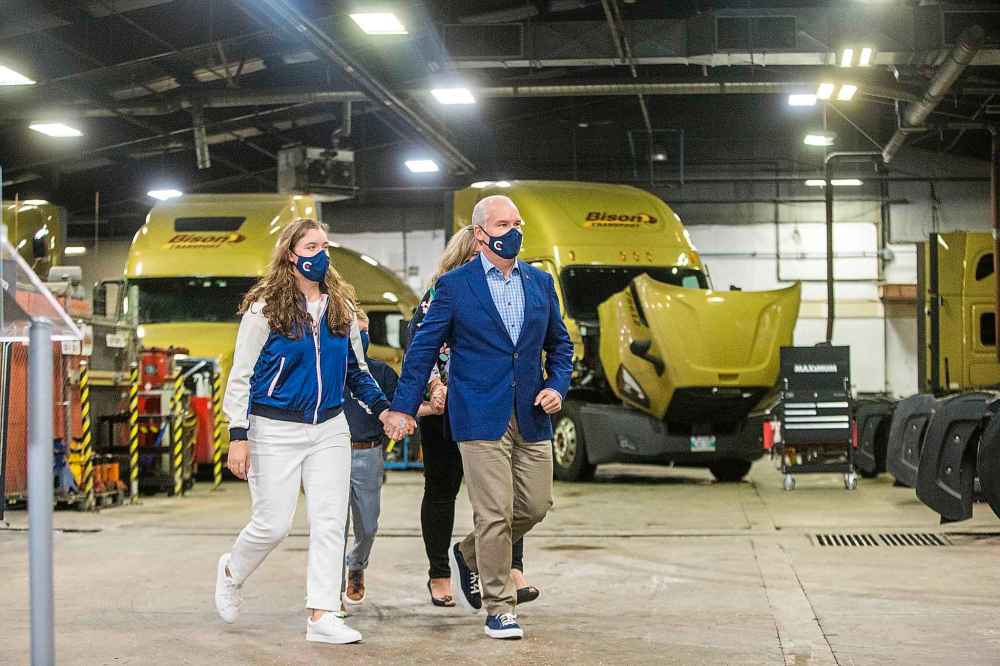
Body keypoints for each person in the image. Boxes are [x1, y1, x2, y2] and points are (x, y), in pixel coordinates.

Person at [385, 195, 574, 640]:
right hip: (477, 414)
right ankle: (499, 607)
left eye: (517, 223)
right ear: (480, 234)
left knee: (534, 505)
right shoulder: (454, 287)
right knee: (494, 513)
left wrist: (556, 386)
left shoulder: (540, 283)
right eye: (503, 224)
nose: (514, 232)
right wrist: (403, 406)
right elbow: (422, 351)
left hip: (530, 413)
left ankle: (470, 553)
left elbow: (560, 346)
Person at [215, 218, 392, 645]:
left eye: (324, 246)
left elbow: (357, 371)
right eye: (311, 246)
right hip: (272, 429)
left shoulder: (340, 308)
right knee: (273, 524)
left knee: (331, 520)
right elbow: (240, 376)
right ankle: (231, 571)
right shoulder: (265, 310)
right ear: (291, 255)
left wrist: (384, 410)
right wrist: (238, 435)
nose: (321, 254)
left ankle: (322, 614)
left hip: (330, 427)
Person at [412, 227, 538, 608]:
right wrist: (435, 387)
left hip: (493, 403)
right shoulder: (440, 293)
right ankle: (440, 572)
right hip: (444, 407)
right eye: (473, 256)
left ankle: (511, 567)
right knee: (441, 488)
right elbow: (420, 346)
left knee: (507, 493)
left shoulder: (512, 287)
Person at [340, 310, 439, 605]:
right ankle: (328, 595)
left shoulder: (380, 372)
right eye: (353, 332)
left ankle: (356, 565)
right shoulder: (329, 370)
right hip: (331, 454)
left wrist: (433, 409)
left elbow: (401, 407)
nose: (360, 337)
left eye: (363, 330)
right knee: (332, 526)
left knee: (367, 525)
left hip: (367, 453)